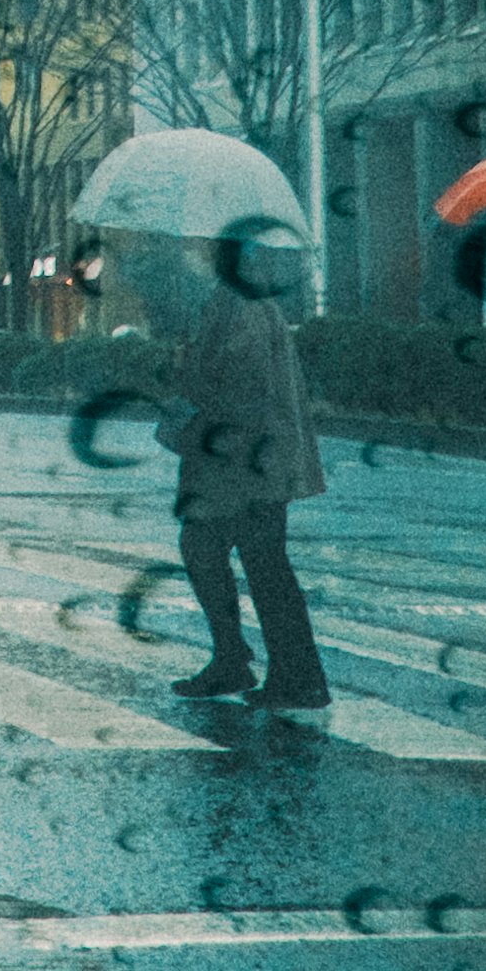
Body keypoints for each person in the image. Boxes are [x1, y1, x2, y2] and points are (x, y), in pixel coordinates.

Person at [164, 228, 331, 721]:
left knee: (238, 556)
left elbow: (241, 380)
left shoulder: (240, 302)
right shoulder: (238, 297)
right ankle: (268, 667)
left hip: (245, 461)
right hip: (247, 460)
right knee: (248, 558)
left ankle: (274, 670)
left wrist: (192, 376)